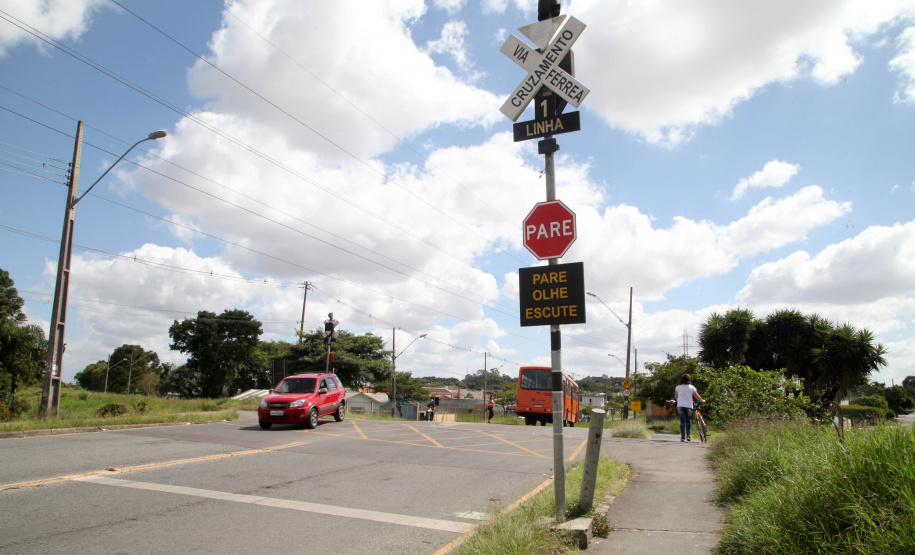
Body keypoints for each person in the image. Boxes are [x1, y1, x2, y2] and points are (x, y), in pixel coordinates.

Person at [674, 374, 705, 442]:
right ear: (689, 380)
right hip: (688, 406)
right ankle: (688, 436)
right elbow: (697, 396)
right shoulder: (691, 387)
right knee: (688, 421)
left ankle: (682, 437)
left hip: (680, 406)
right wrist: (702, 401)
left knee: (682, 421)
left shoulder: (678, 387)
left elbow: (676, 397)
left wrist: (679, 401)